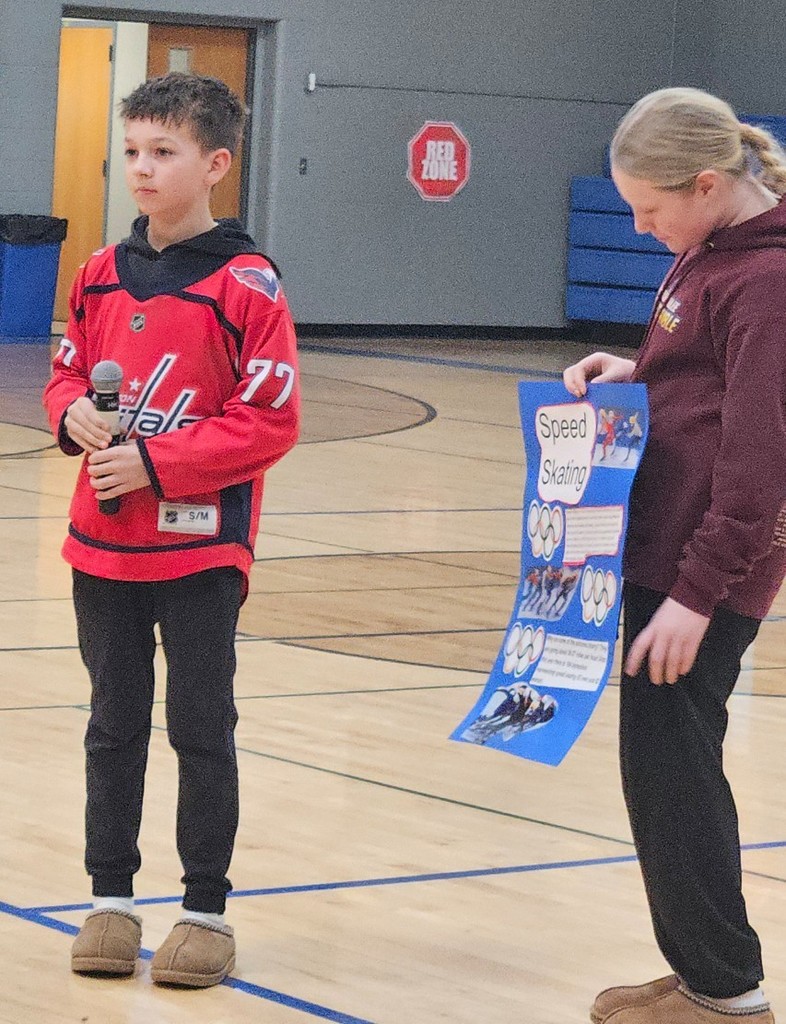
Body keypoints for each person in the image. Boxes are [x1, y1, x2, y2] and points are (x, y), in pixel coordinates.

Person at [43, 72, 300, 987]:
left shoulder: (248, 282)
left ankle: (204, 910)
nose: (143, 171)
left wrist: (156, 462)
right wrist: (71, 412)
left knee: (201, 725)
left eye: (164, 153)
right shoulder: (101, 273)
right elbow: (66, 374)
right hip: (100, 548)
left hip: (199, 551)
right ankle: (110, 897)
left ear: (215, 164)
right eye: (133, 153)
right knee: (112, 724)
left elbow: (270, 420)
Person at [563, 87, 786, 1024]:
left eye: (651, 211)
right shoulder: (708, 257)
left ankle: (725, 992)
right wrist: (637, 372)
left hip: (702, 574)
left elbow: (760, 464)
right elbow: (701, 384)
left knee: (674, 771)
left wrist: (696, 597)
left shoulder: (767, 282)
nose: (644, 228)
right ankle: (705, 970)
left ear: (706, 184)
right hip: (660, 552)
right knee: (663, 768)